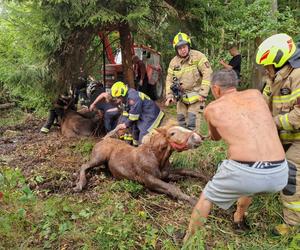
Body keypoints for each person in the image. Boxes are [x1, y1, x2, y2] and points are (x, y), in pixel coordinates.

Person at [184, 69, 288, 241]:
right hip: (279, 173)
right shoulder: (256, 94)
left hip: (246, 173)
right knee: (248, 184)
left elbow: (216, 137)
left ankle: (189, 239)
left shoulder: (212, 108)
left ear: (216, 89)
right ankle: (238, 218)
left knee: (207, 196)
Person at [256, 33, 300, 234]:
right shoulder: (274, 78)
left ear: (280, 61)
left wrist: (273, 123)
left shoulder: (297, 77)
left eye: (268, 65)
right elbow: (262, 102)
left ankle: (293, 226)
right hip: (286, 137)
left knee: (291, 174)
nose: (266, 70)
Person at [165, 32, 213, 132]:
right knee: (181, 121)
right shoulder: (173, 62)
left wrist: (203, 93)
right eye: (179, 48)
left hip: (196, 96)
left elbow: (207, 73)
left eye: (184, 47)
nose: (183, 50)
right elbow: (169, 79)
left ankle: (194, 144)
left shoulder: (198, 57)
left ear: (188, 45)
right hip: (181, 97)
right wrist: (169, 96)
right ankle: (184, 145)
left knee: (192, 121)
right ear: (176, 49)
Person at [110, 81, 164, 145]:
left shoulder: (133, 98)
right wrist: (122, 123)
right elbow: (126, 113)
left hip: (151, 116)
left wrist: (125, 125)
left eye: (118, 97)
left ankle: (145, 152)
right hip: (142, 115)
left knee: (143, 137)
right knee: (135, 132)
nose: (118, 100)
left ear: (123, 93)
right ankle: (136, 148)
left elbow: (133, 117)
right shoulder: (126, 97)